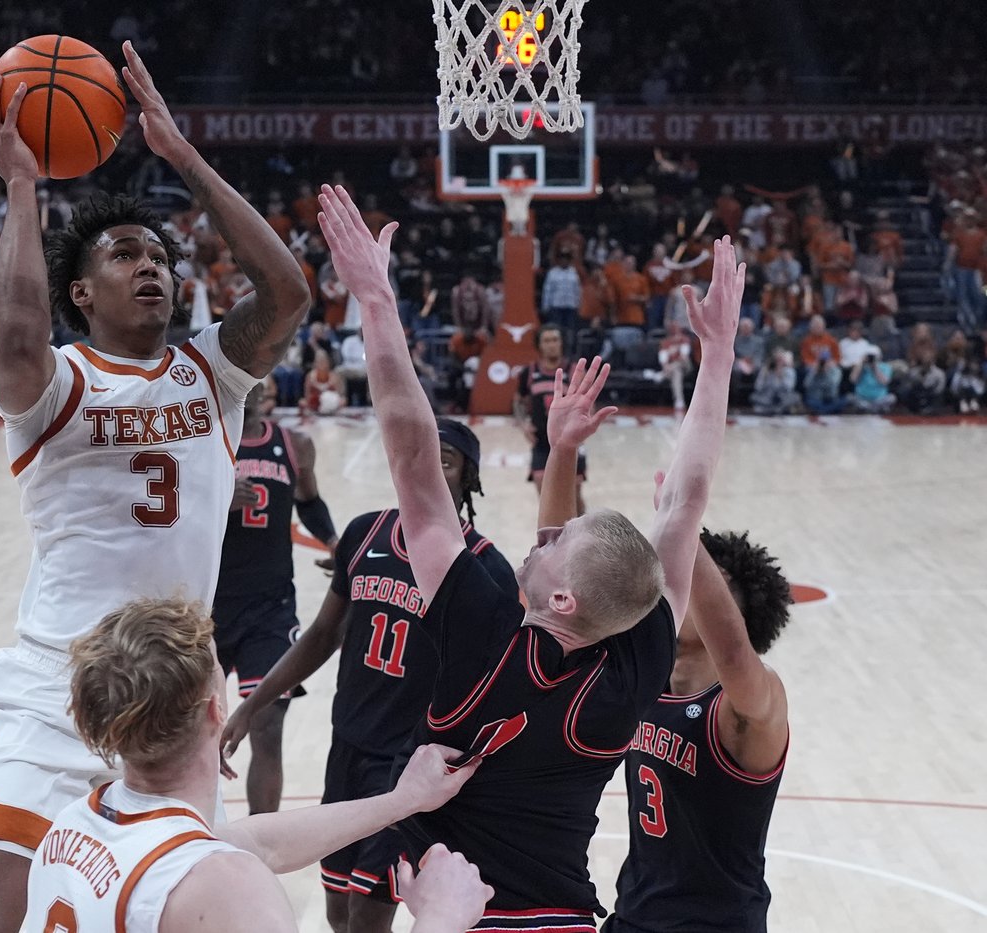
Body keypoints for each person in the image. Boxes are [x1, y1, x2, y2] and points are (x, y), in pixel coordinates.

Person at [0, 41, 313, 933]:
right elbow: (19, 338)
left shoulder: (211, 375)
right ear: (81, 287)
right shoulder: (56, 385)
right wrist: (22, 186)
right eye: (125, 255)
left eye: (160, 254)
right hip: (51, 694)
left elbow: (288, 292)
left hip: (175, 702)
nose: (153, 265)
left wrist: (181, 154)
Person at [316, 184, 743, 929]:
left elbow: (414, 456)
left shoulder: (483, 625)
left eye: (561, 543)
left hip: (467, 916)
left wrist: (377, 304)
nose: (546, 536)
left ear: (564, 599)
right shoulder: (633, 660)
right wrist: (718, 359)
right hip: (569, 919)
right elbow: (684, 504)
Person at [19, 596, 491, 933]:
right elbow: (237, 863)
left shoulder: (76, 824)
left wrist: (402, 801)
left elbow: (259, 843)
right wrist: (439, 919)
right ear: (214, 710)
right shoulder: (224, 887)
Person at [222, 417, 517, 933]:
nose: (426, 470)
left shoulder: (487, 568)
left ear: (468, 478)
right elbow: (320, 636)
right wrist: (252, 704)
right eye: (419, 458)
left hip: (411, 766)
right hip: (348, 752)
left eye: (443, 461)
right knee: (338, 912)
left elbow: (502, 684)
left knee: (365, 918)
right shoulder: (364, 534)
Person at [605, 528, 793, 933]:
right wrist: (561, 460)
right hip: (633, 918)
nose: (681, 586)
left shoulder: (747, 705)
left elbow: (733, 652)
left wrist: (685, 526)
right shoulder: (645, 683)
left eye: (701, 579)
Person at [213, 381, 338, 814]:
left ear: (264, 390)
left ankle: (260, 843)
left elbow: (310, 502)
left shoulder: (295, 444)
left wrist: (333, 540)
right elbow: (170, 511)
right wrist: (217, 500)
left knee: (268, 727)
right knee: (187, 733)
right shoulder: (205, 442)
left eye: (255, 379)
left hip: (270, 609)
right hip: (205, 608)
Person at [514, 323, 588, 514]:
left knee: (573, 496)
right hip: (541, 441)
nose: (552, 345)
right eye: (547, 341)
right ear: (539, 345)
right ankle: (553, 540)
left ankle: (583, 534)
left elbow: (588, 402)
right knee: (545, 495)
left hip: (569, 442)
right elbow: (518, 402)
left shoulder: (574, 371)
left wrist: (582, 425)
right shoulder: (529, 373)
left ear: (562, 343)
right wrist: (523, 424)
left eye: (555, 340)